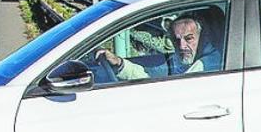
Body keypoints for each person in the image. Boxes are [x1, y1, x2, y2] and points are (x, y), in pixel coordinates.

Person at [94, 14, 222, 81]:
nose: (182, 46)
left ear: (202, 37)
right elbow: (150, 78)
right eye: (177, 40)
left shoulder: (209, 64)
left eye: (189, 39)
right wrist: (120, 64)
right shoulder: (179, 59)